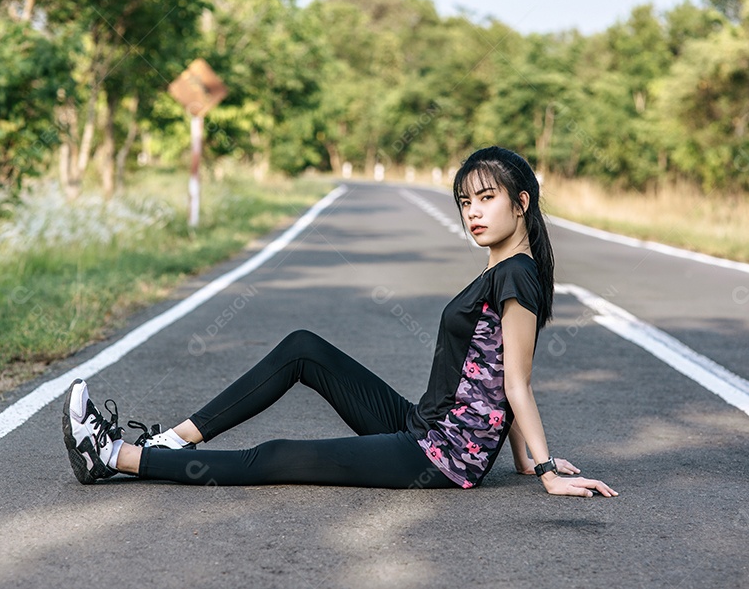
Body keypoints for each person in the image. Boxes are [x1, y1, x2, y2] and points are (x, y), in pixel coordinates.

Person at [62, 146, 617, 497]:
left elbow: (515, 381)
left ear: (521, 204)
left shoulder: (516, 276)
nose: (473, 212)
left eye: (486, 199)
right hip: (422, 425)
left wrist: (544, 469)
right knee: (303, 347)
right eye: (465, 201)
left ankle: (114, 457)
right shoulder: (503, 271)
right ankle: (171, 440)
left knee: (279, 455)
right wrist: (522, 461)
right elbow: (496, 372)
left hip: (441, 456)